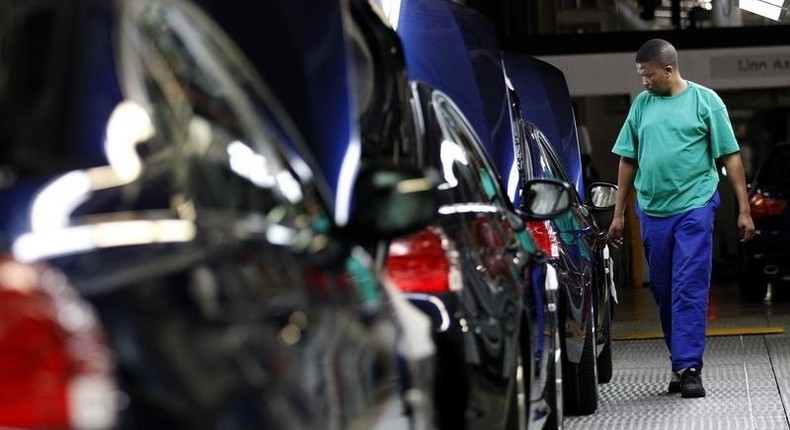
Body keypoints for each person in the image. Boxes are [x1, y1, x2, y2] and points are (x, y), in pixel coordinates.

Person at [605, 38, 755, 398]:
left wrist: (745, 209)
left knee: (688, 286)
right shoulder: (641, 106)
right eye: (641, 75)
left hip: (695, 207)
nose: (643, 82)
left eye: (648, 75)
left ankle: (689, 367)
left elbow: (730, 157)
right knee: (664, 290)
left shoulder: (706, 102)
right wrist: (618, 214)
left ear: (668, 70)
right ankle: (679, 362)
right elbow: (628, 159)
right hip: (653, 212)